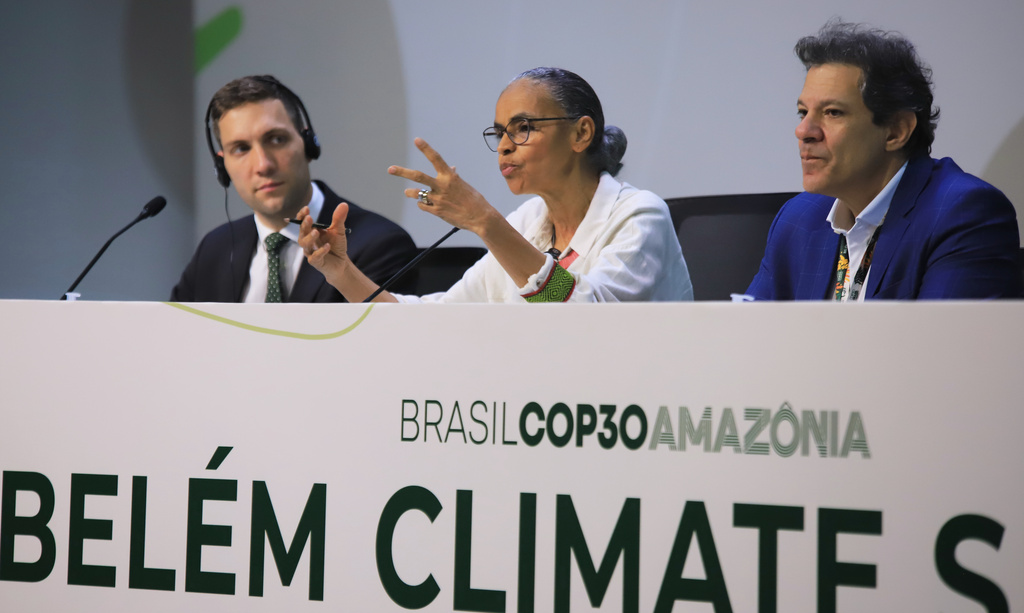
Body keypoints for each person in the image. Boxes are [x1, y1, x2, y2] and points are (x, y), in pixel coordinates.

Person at [298, 67, 693, 303]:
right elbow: (436, 322)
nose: (504, 145)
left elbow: (584, 318)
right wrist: (341, 273)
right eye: (499, 132)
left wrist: (486, 222)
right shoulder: (528, 223)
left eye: (522, 128)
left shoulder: (640, 216)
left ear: (581, 133)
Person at [746, 20, 1021, 301]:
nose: (804, 131)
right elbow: (747, 337)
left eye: (832, 112)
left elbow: (943, 343)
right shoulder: (799, 219)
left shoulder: (962, 215)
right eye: (803, 112)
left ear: (896, 131)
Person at [171, 75, 417, 303]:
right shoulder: (215, 249)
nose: (263, 165)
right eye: (241, 149)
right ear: (222, 165)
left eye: (276, 139)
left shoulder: (378, 244)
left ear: (308, 145)